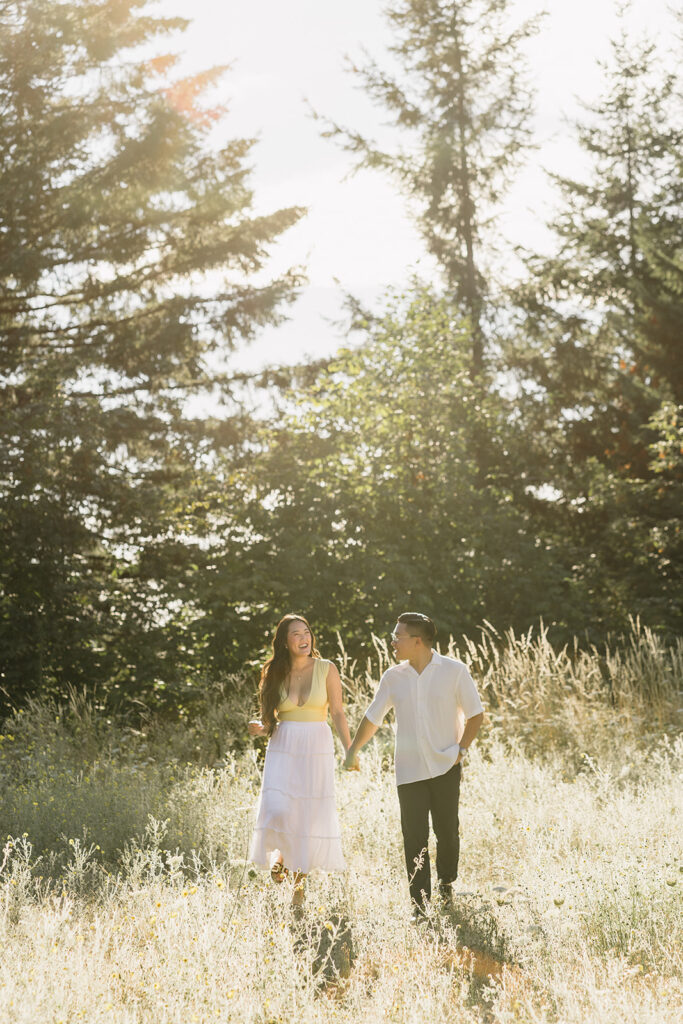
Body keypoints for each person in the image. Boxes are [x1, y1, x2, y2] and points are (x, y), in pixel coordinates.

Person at [344, 612, 484, 919]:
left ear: (416, 641)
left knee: (447, 830)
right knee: (414, 835)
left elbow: (476, 714)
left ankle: (447, 882)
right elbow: (372, 718)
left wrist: (461, 749)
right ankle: (420, 905)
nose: (393, 642)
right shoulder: (394, 677)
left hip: (446, 764)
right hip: (408, 770)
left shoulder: (454, 671)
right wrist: (353, 749)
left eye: (398, 637)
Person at [248, 613, 354, 909]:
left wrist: (350, 749)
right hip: (283, 745)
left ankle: (298, 891)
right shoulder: (273, 673)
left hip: (316, 746)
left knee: (306, 818)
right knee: (280, 810)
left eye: (306, 631)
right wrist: (262, 727)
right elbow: (270, 719)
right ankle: (281, 858)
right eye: (295, 634)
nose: (303, 638)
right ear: (284, 641)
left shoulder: (326, 668)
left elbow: (338, 713)